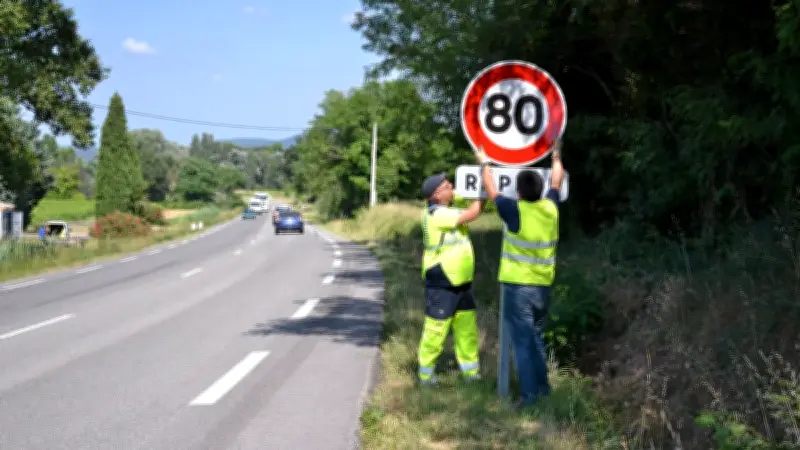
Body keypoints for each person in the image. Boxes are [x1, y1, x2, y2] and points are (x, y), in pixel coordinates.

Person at [476, 141, 565, 409]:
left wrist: (483, 161)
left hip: (519, 289)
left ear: (519, 192)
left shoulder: (514, 210)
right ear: (541, 189)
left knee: (523, 345)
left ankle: (530, 398)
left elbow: (491, 188)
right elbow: (557, 179)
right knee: (535, 339)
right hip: (543, 288)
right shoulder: (551, 208)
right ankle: (543, 389)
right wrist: (557, 154)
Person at [417, 172, 485, 385]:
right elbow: (473, 212)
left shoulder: (446, 209)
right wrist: (484, 191)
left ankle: (471, 374)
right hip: (443, 281)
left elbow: (465, 203)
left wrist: (468, 190)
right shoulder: (437, 215)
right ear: (437, 194)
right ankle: (426, 376)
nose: (453, 187)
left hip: (461, 281)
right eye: (448, 185)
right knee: (436, 331)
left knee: (467, 331)